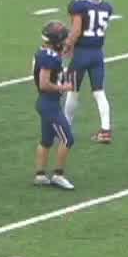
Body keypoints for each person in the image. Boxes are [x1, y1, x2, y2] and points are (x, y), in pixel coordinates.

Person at [62, 0, 114, 144]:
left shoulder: (78, 6)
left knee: (72, 91)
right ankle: (106, 130)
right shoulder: (106, 7)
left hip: (81, 53)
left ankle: (66, 129)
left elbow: (77, 30)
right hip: (97, 53)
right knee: (99, 92)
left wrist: (67, 45)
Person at [30, 20, 76, 191]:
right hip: (49, 103)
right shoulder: (49, 58)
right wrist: (64, 87)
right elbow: (44, 84)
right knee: (67, 139)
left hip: (47, 102)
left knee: (46, 141)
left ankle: (40, 175)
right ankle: (58, 175)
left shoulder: (46, 53)